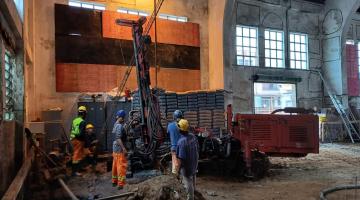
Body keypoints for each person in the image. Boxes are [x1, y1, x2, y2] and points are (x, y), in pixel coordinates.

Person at [175, 119, 199, 200]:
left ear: (180, 129)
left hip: (187, 168)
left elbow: (180, 159)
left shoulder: (181, 142)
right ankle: (194, 192)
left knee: (188, 182)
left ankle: (191, 197)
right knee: (193, 178)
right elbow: (197, 149)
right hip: (194, 163)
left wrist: (177, 171)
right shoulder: (193, 136)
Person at [111, 110, 128, 190]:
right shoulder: (119, 126)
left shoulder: (116, 124)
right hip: (119, 149)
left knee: (115, 165)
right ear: (121, 117)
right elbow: (118, 138)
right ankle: (120, 184)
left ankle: (114, 181)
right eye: (123, 117)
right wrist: (124, 148)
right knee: (121, 166)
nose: (124, 119)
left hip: (115, 149)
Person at [70, 106, 87, 176]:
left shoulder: (75, 120)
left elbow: (71, 129)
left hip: (74, 139)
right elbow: (81, 133)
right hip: (78, 140)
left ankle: (79, 168)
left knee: (80, 154)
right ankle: (74, 172)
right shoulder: (82, 122)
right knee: (76, 155)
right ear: (84, 113)